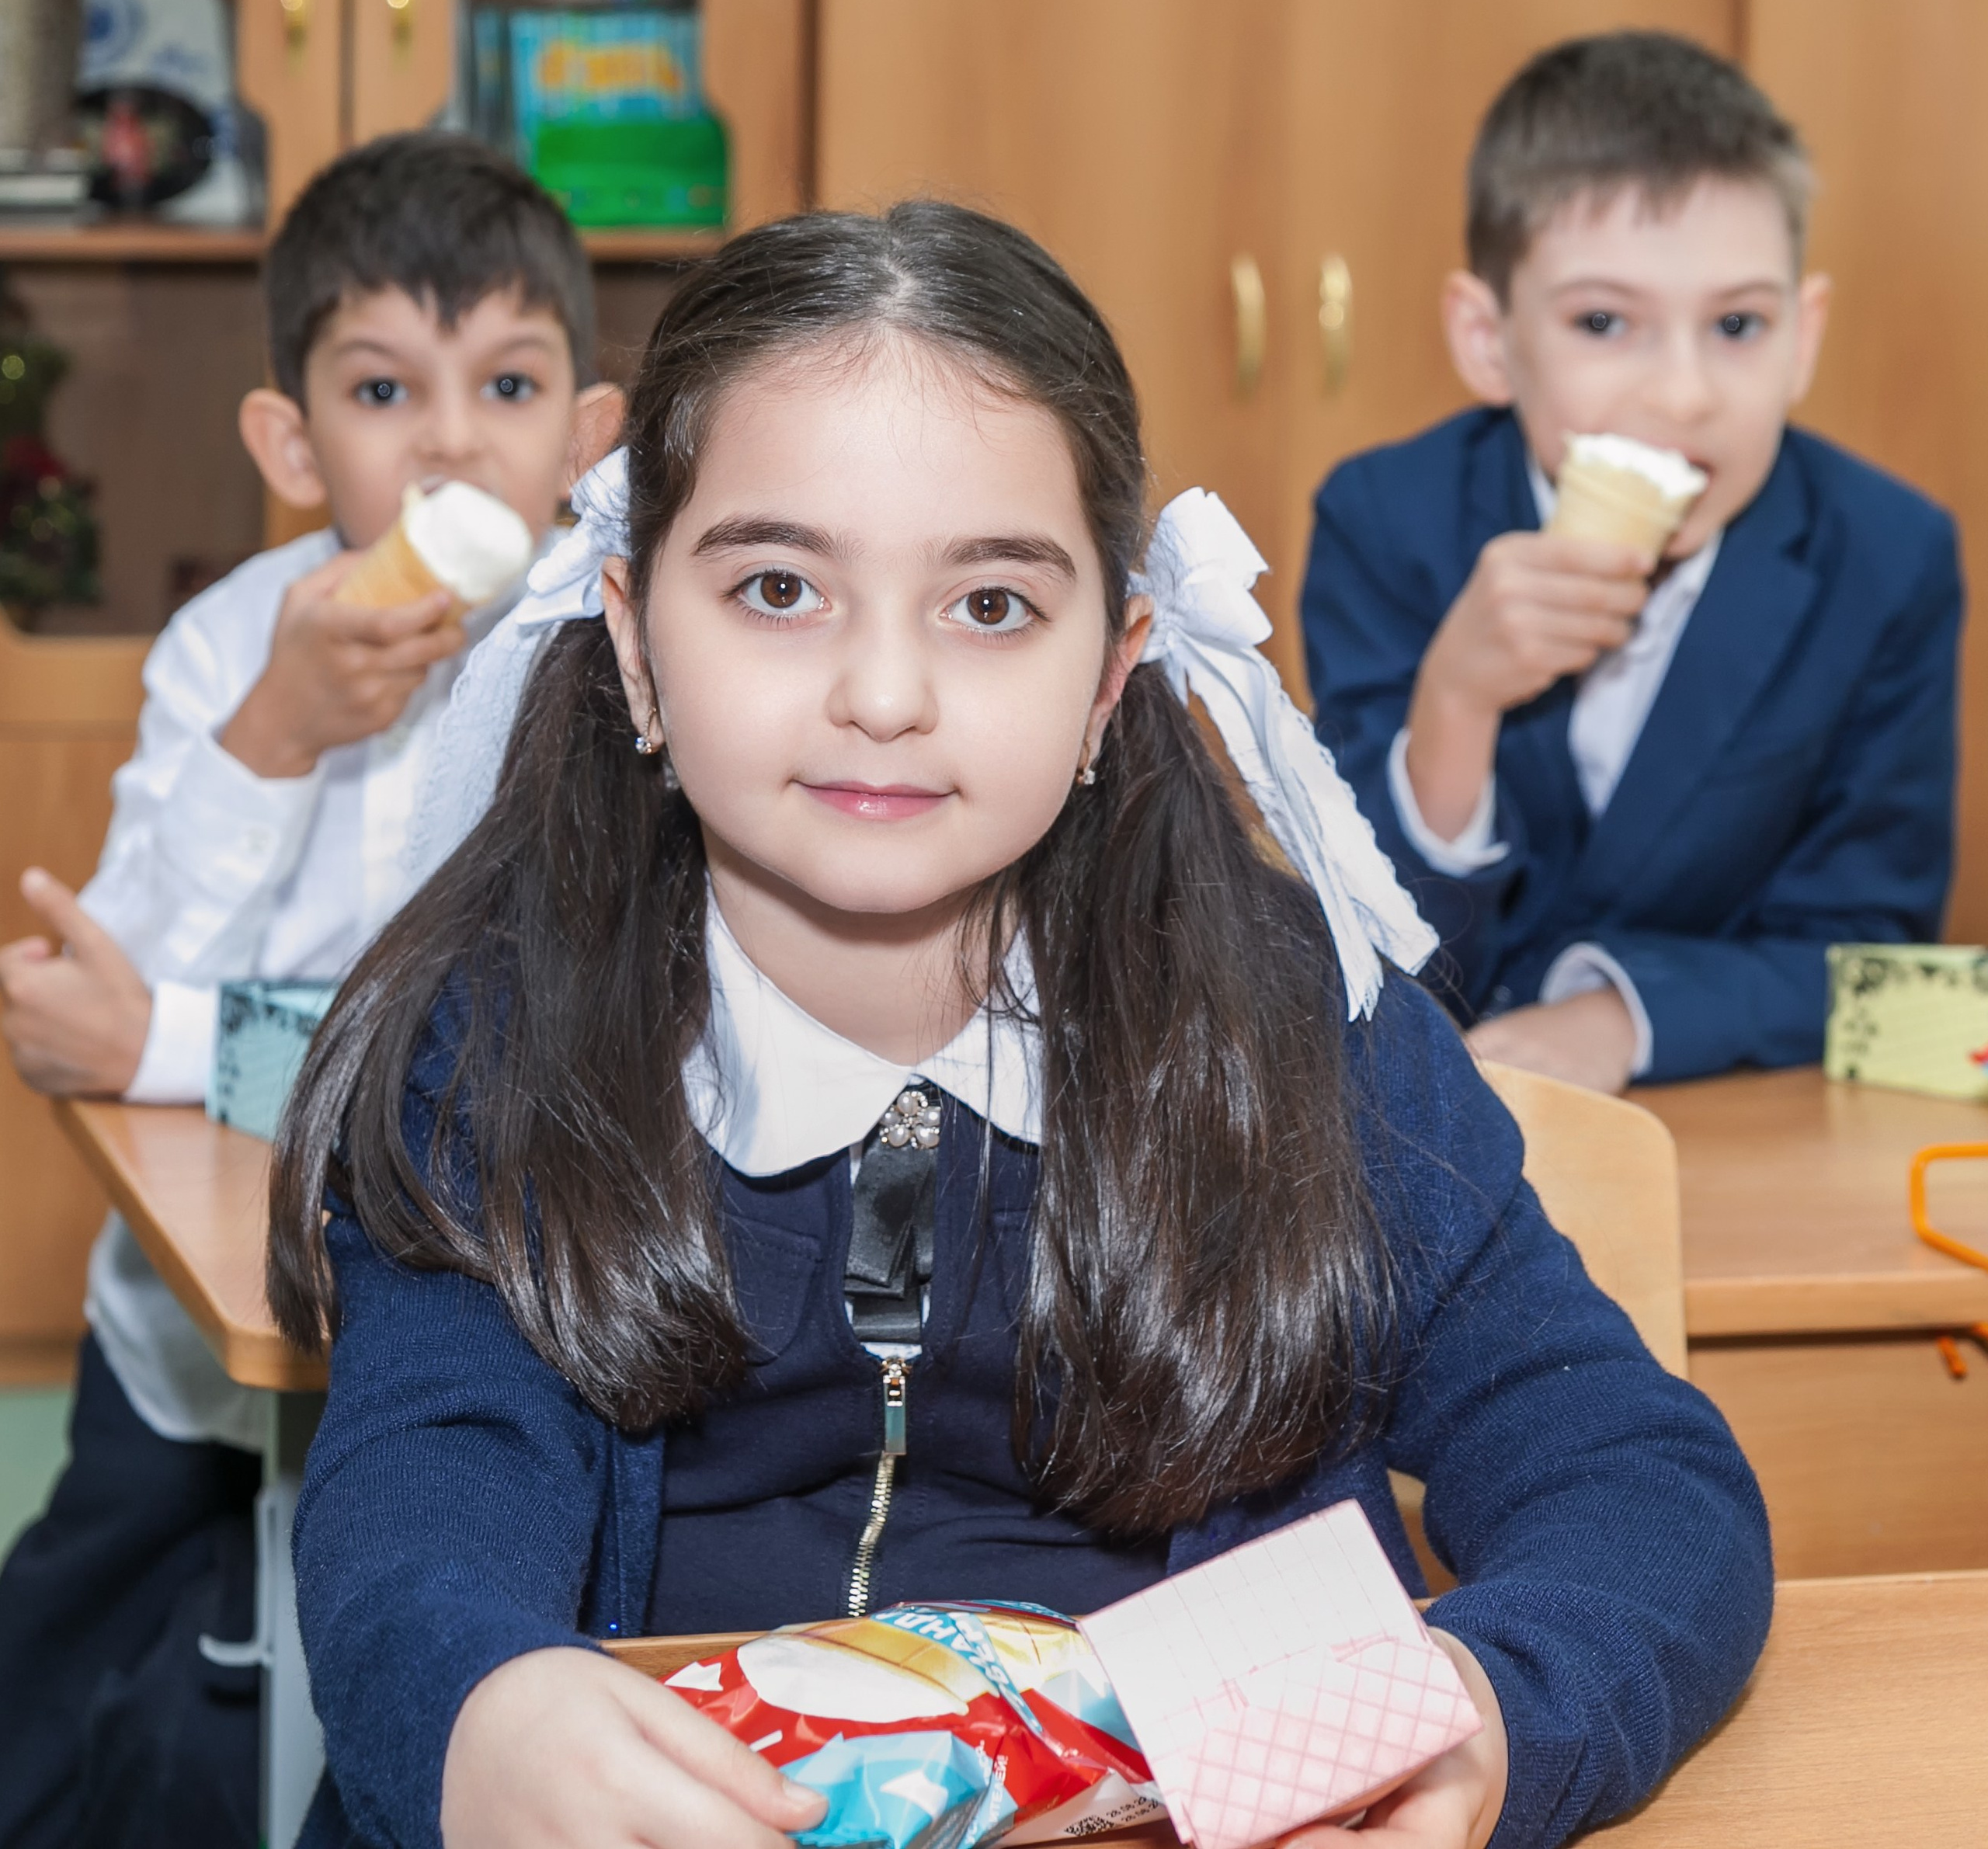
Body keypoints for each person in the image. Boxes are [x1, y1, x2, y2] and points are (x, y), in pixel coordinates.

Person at [267, 203, 1769, 1849]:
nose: (885, 693)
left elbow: (1635, 1477)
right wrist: (481, 1710)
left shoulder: (1296, 1025)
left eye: (988, 605)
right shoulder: (500, 1044)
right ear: (633, 643)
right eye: (778, 587)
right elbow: (417, 1508)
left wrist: (1494, 1711)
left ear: (1112, 670)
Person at [0, 131, 621, 1849]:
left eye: (506, 381)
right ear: (289, 442)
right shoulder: (231, 644)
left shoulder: (605, 657)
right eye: (380, 388)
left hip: (493, 1328)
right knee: (68, 1647)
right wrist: (274, 737)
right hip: (190, 1337)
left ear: (585, 438)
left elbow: (492, 1050)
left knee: (417, 1664)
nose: (448, 439)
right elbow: (96, 994)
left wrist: (172, 1044)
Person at [1302, 30, 1961, 1092]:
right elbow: (1364, 945)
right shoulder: (1386, 520)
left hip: (1723, 1116)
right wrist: (1457, 703)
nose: (1687, 393)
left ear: (1806, 336)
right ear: (1488, 338)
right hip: (1430, 1118)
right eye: (1605, 321)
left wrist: (1624, 1016)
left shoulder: (1888, 559)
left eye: (1739, 324)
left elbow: (1867, 946)